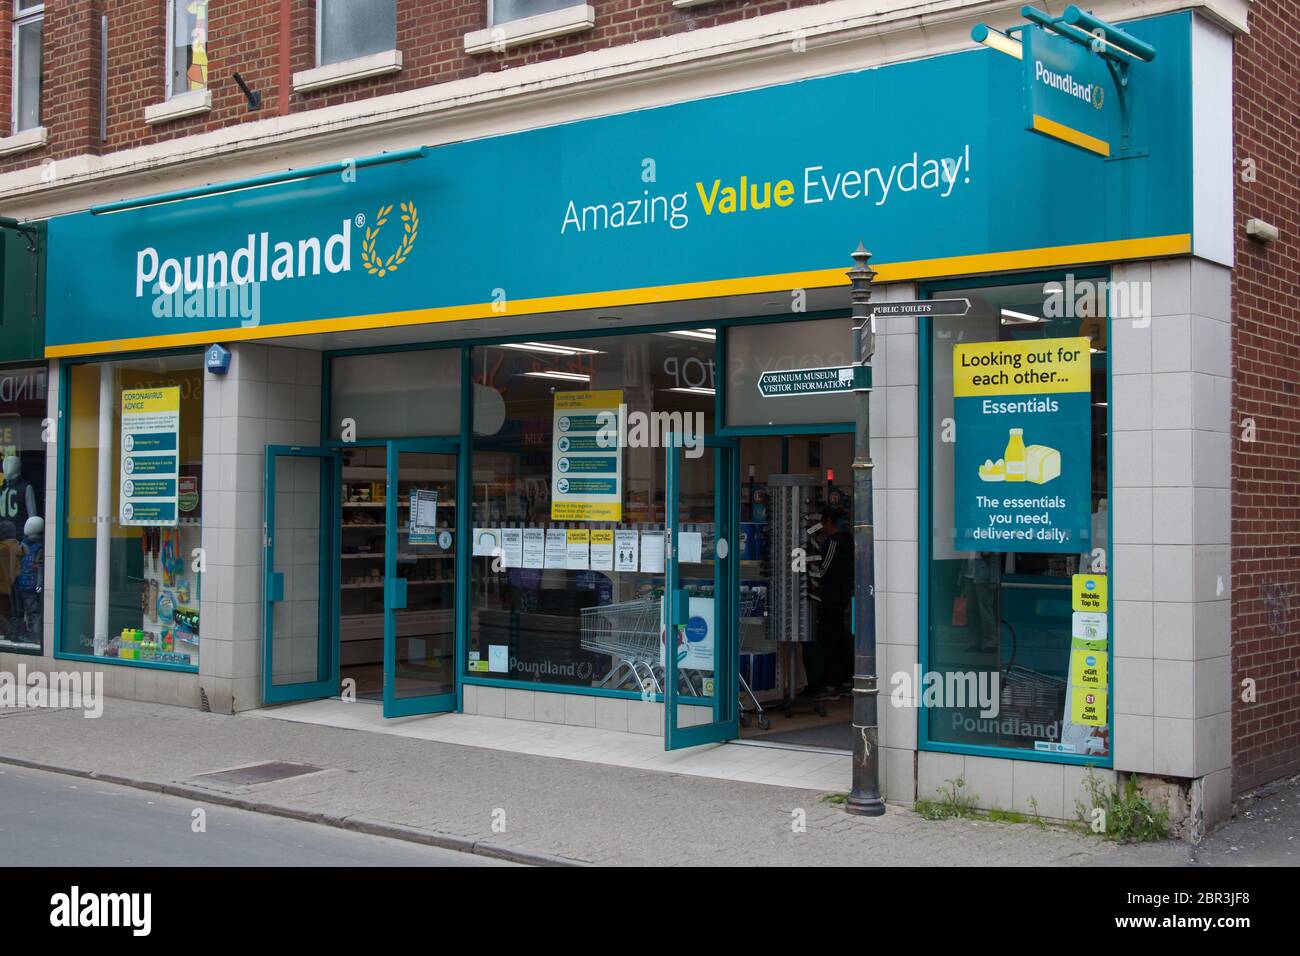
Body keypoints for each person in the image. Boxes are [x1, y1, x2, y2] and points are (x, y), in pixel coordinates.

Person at [811, 506, 854, 696]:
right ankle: (845, 680)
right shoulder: (847, 540)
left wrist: (808, 570)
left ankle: (831, 683)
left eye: (821, 522)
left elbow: (823, 569)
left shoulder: (834, 542)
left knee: (830, 640)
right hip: (842, 597)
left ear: (828, 521)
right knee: (840, 639)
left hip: (831, 599)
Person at [14, 516, 43, 642]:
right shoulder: (25, 545)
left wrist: (39, 582)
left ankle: (36, 634)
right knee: (29, 610)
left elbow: (40, 567)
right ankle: (30, 632)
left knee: (33, 611)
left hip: (29, 583)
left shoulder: (37, 547)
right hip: (25, 583)